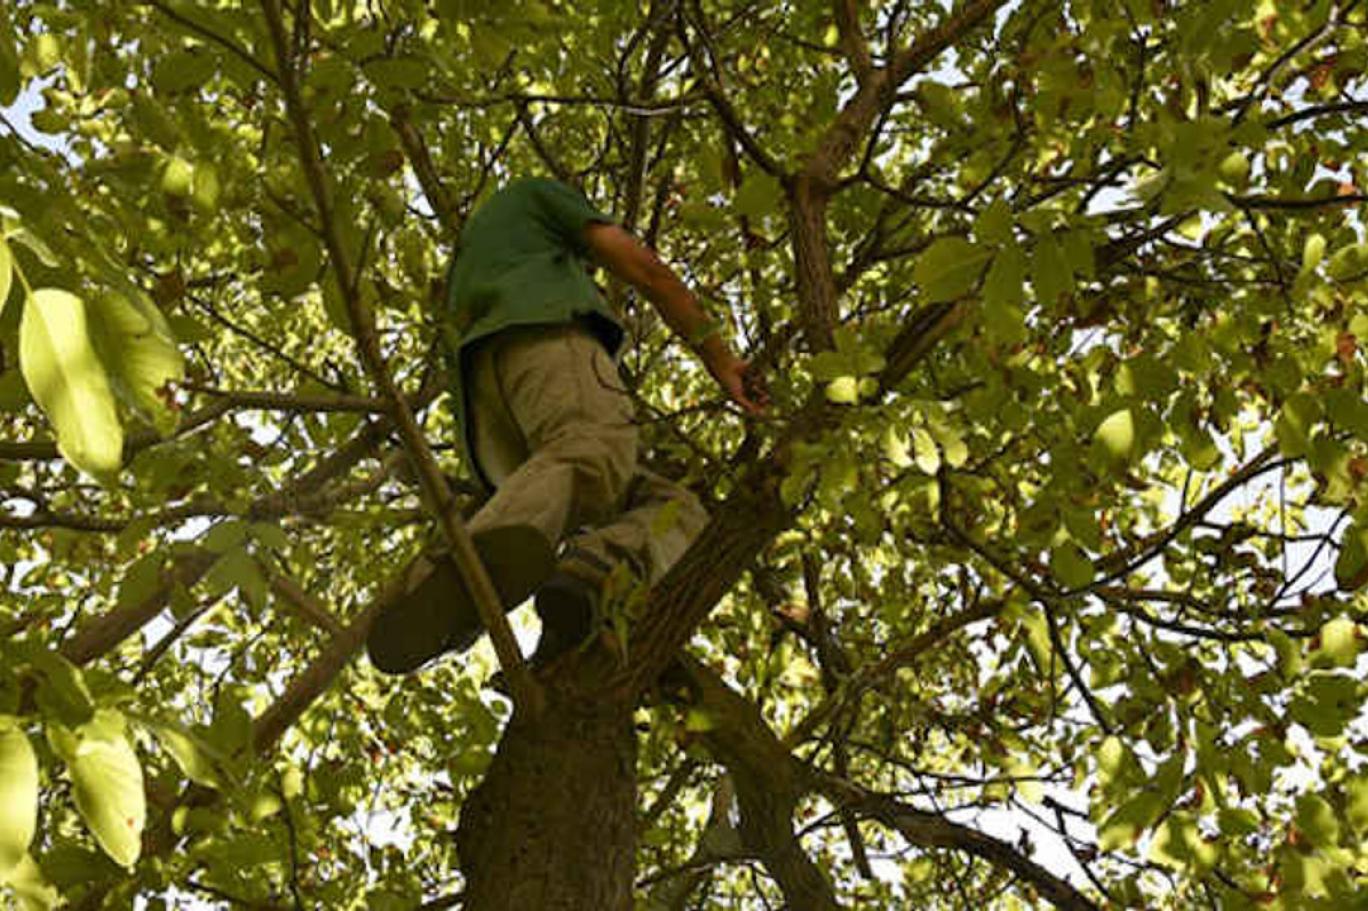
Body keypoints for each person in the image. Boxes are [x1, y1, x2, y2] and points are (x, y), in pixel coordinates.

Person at [366, 176, 766, 676]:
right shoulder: (538, 198)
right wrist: (721, 359)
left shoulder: (481, 252)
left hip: (496, 434)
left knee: (677, 509)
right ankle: (458, 572)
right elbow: (648, 272)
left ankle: (579, 598)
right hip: (547, 346)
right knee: (592, 448)